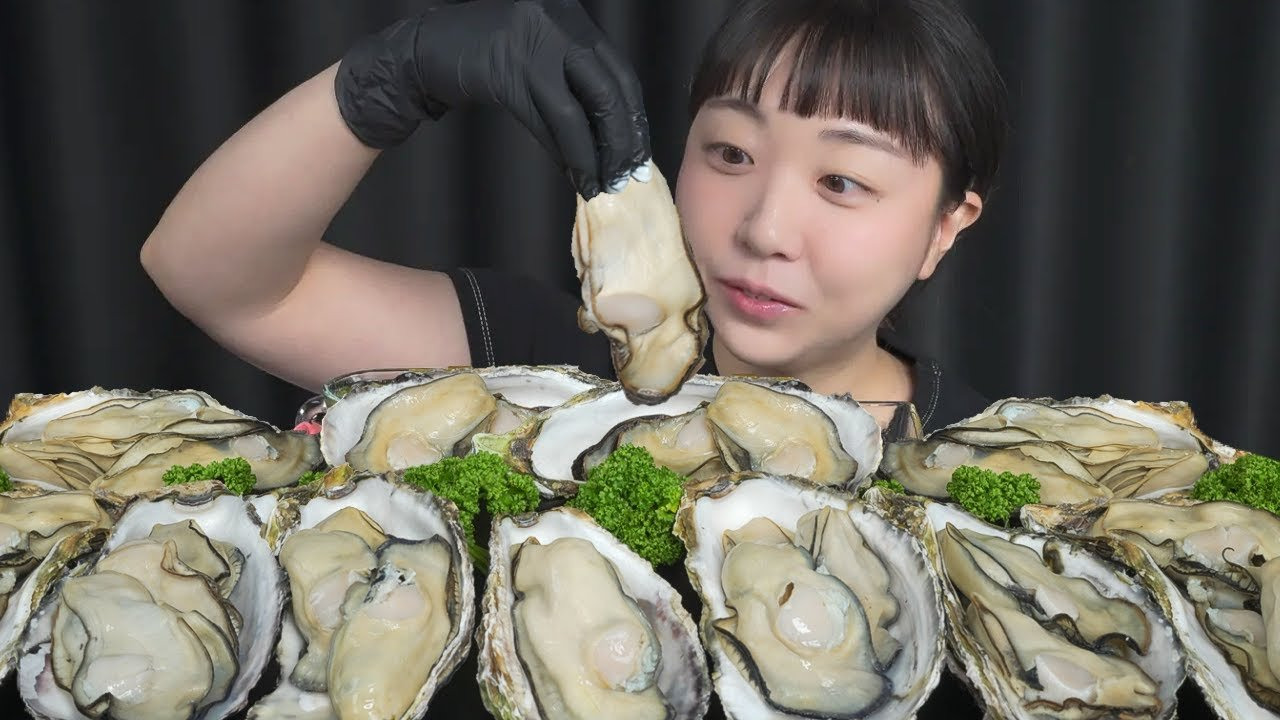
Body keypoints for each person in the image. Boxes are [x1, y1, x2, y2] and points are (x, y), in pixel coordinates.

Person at [141, 0, 1007, 716]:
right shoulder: (532, 364)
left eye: (841, 182)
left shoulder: (994, 480)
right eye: (731, 153)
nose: (765, 228)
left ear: (946, 226)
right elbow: (215, 277)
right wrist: (397, 75)